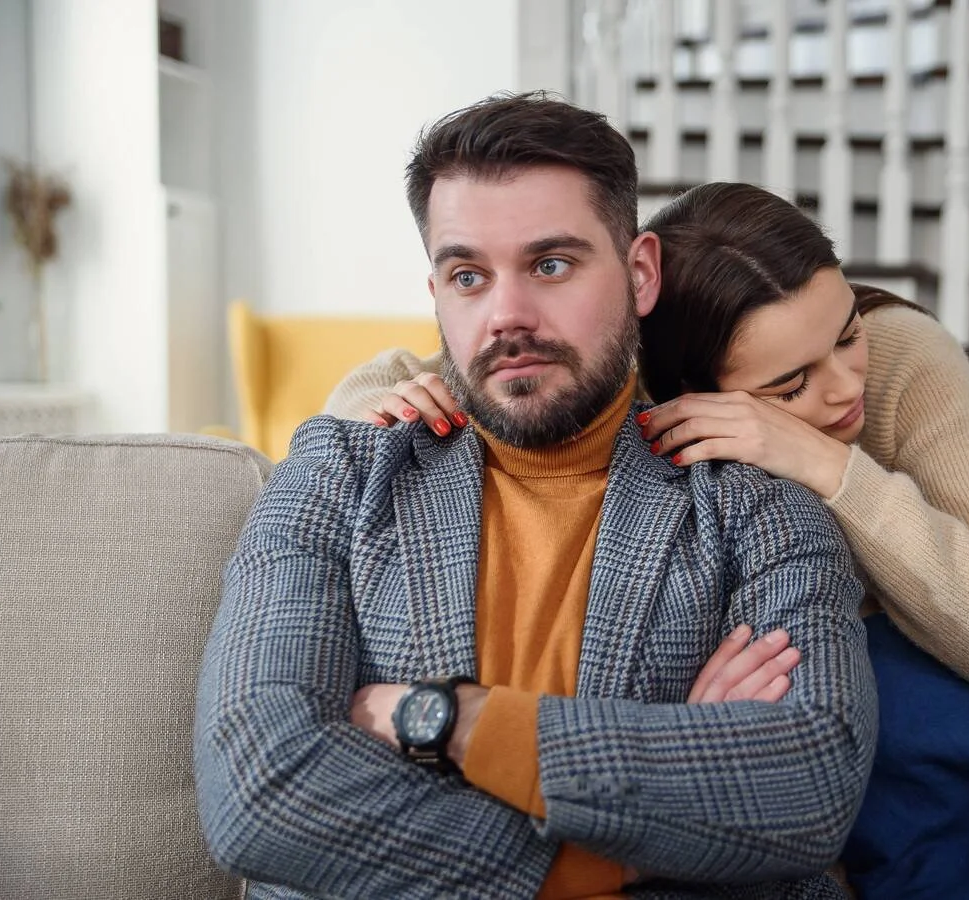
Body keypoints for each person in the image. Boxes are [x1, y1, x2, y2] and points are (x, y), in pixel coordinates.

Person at [195, 93, 877, 900]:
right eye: (468, 276)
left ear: (640, 272)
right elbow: (260, 789)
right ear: (438, 293)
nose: (507, 315)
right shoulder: (340, 474)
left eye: (551, 265)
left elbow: (808, 786)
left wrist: (451, 721)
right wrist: (617, 852)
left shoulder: (753, 504)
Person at [329, 181, 969, 711]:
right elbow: (407, 376)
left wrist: (825, 462)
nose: (846, 386)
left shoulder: (901, 358)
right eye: (789, 385)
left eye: (846, 333)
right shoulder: (633, 384)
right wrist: (369, 405)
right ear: (683, 392)